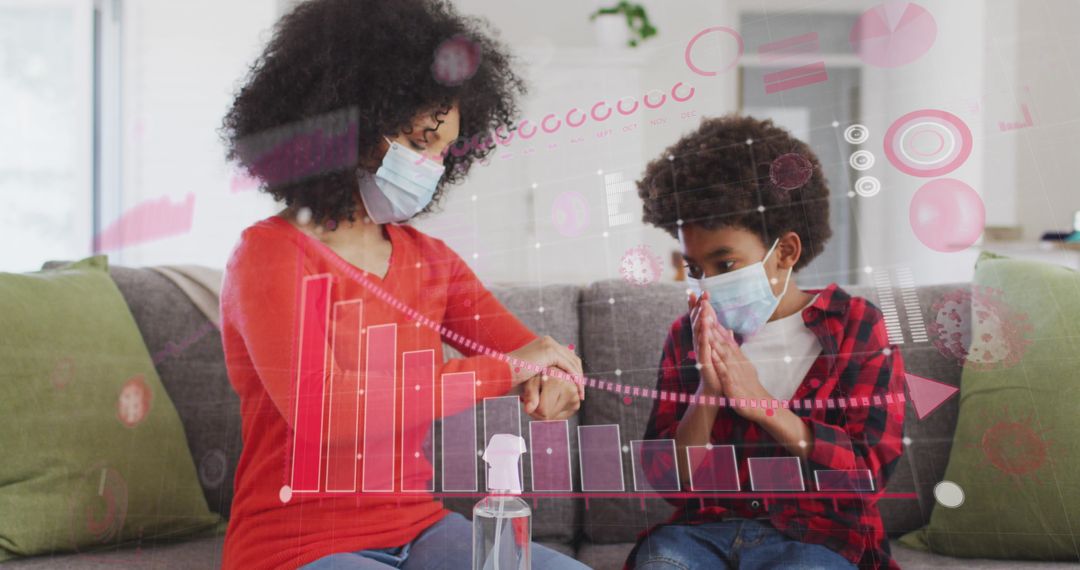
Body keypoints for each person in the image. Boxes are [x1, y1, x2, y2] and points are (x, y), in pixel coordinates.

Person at [218, 1, 588, 568]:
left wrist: (557, 378)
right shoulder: (269, 256)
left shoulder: (431, 262)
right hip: (293, 545)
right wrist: (506, 370)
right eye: (418, 143)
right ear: (351, 121)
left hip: (421, 527)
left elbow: (531, 355)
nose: (431, 167)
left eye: (443, 152)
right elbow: (329, 415)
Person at [627, 115, 906, 569]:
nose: (707, 285)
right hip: (702, 537)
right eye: (695, 269)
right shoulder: (687, 335)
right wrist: (708, 394)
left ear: (786, 252)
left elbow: (867, 473)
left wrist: (763, 406)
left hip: (820, 540)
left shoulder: (856, 327)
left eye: (725, 263)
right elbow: (668, 481)